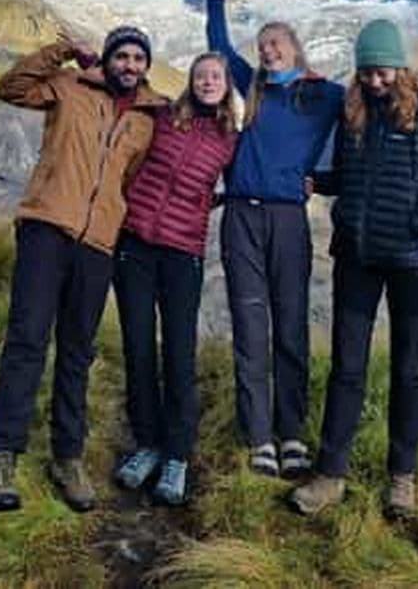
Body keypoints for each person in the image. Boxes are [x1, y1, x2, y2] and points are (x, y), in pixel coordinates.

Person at [206, 0, 418, 479]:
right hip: (258, 222)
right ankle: (263, 438)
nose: (269, 50)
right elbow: (218, 46)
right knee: (260, 331)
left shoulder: (326, 96)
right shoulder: (260, 88)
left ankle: (298, 435)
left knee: (298, 330)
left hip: (322, 230)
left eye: (277, 42)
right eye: (263, 44)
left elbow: (397, 110)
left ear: (296, 48)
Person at [0, 25, 166, 514]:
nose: (129, 65)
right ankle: (2, 456)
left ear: (145, 66)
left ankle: (68, 456)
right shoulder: (68, 86)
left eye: (137, 58)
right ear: (106, 59)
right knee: (27, 340)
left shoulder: (148, 119)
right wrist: (64, 51)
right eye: (121, 56)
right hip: (47, 227)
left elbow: (128, 179)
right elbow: (11, 87)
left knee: (77, 352)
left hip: (98, 244)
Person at [290, 18, 418, 522]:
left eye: (382, 71)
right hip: (357, 257)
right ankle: (330, 475)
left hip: (414, 260)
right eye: (367, 72)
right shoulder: (354, 113)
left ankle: (402, 480)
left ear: (400, 66)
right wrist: (317, 185)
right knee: (347, 368)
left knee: (409, 371)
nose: (375, 81)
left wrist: (414, 222)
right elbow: (347, 176)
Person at [111, 53, 239, 506]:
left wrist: (309, 183)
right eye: (201, 75)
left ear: (227, 86)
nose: (208, 82)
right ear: (191, 81)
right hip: (135, 246)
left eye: (216, 77)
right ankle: (147, 443)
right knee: (139, 348)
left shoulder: (230, 139)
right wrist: (90, 58)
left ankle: (177, 455)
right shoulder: (164, 115)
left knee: (179, 355)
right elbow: (120, 87)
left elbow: (252, 176)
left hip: (183, 255)